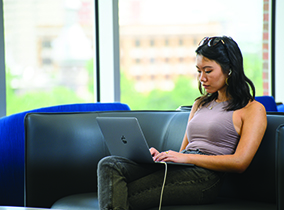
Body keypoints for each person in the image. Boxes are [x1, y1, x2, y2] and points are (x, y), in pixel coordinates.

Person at [97, 36, 267, 210]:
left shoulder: (252, 109)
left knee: (121, 194)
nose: (202, 78)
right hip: (183, 167)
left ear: (229, 70)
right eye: (199, 71)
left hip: (204, 178)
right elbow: (183, 151)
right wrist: (160, 158)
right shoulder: (200, 104)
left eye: (208, 71)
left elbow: (240, 163)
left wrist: (186, 157)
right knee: (110, 164)